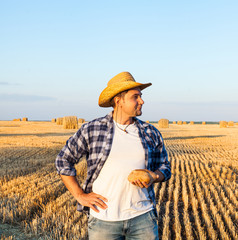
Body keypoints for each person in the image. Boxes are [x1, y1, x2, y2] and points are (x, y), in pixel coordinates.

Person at [55, 72, 171, 240]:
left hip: (143, 218)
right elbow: (63, 160)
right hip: (104, 220)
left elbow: (165, 167)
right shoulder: (92, 129)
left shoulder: (150, 132)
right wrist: (79, 195)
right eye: (135, 97)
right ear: (119, 101)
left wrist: (153, 176)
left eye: (141, 96)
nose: (142, 101)